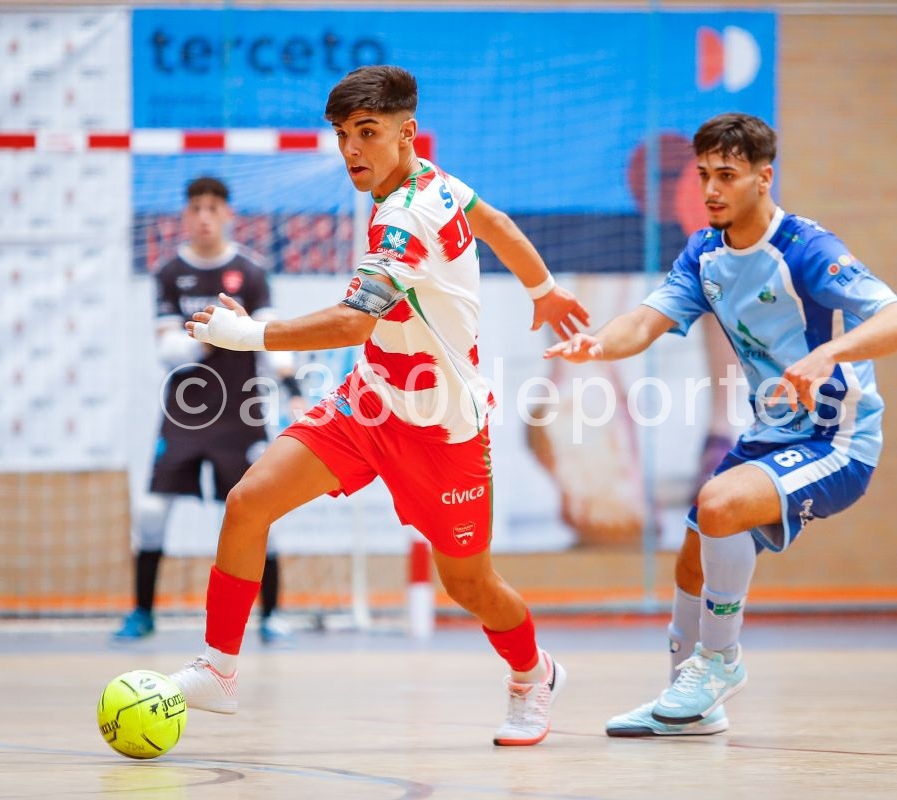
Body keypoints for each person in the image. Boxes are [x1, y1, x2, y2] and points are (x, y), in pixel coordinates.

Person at [162, 65, 590, 747]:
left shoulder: (406, 216)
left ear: (405, 131)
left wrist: (249, 334)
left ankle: (532, 675)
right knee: (248, 503)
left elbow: (354, 321)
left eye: (367, 132)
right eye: (343, 135)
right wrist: (543, 289)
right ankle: (218, 668)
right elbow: (498, 222)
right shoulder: (434, 184)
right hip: (369, 404)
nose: (352, 149)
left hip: (443, 431)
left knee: (471, 584)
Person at [545, 112, 897, 737]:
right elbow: (644, 321)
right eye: (703, 176)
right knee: (692, 559)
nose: (711, 189)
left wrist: (830, 351)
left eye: (727, 175)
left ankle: (720, 663)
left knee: (718, 503)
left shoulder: (807, 250)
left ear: (762, 178)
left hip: (838, 439)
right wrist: (596, 346)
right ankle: (688, 706)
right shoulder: (706, 253)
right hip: (770, 435)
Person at [114, 176, 295, 646]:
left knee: (255, 514)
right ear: (184, 215)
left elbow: (272, 338)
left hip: (242, 416)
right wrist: (219, 331)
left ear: (228, 214)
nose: (205, 215)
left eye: (214, 206)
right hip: (185, 415)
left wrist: (289, 377)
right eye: (196, 207)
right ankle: (142, 613)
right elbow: (170, 348)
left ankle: (272, 617)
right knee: (150, 511)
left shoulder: (251, 273)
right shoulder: (171, 272)